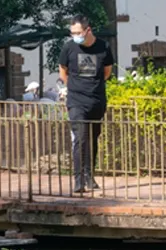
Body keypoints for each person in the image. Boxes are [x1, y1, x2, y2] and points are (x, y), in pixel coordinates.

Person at [58, 15, 115, 193]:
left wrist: (92, 87)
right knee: (80, 138)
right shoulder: (68, 48)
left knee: (92, 138)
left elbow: (106, 72)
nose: (75, 36)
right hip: (76, 101)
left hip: (97, 101)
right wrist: (76, 88)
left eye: (78, 32)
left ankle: (90, 177)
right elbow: (63, 73)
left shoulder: (103, 47)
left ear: (88, 30)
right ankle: (78, 180)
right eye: (72, 33)